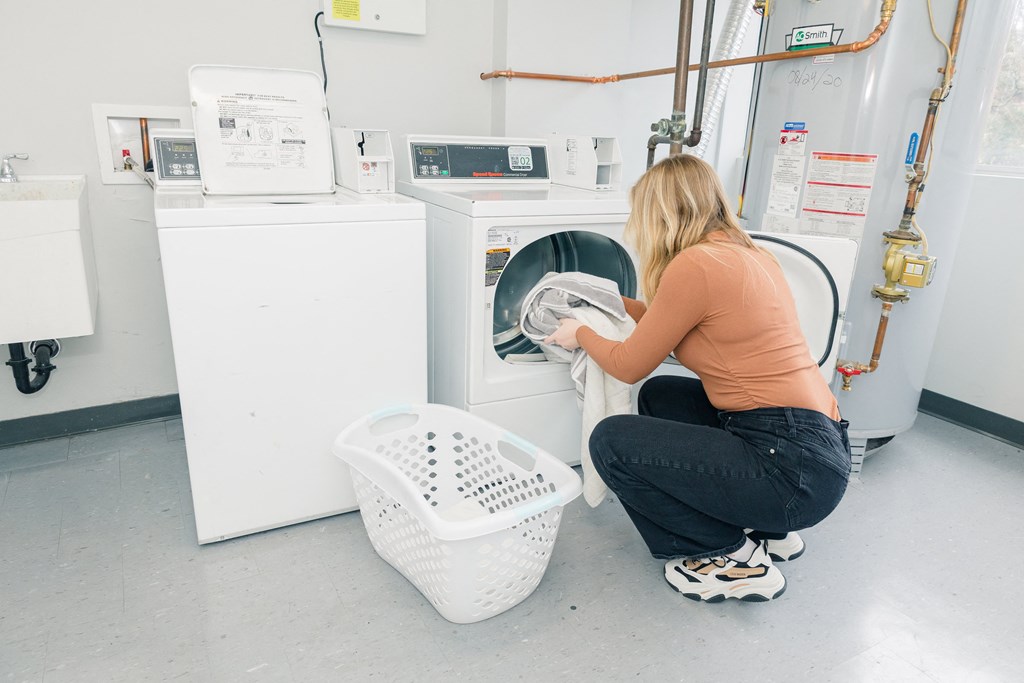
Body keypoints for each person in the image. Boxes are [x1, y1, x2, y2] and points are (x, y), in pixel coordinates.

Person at [543, 154, 851, 603]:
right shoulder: (746, 254)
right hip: (814, 448)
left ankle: (726, 555)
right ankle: (769, 530)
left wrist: (580, 333)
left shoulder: (695, 265)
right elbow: (671, 326)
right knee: (664, 395)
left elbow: (628, 364)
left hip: (789, 467)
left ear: (662, 213)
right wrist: (607, 303)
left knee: (611, 441)